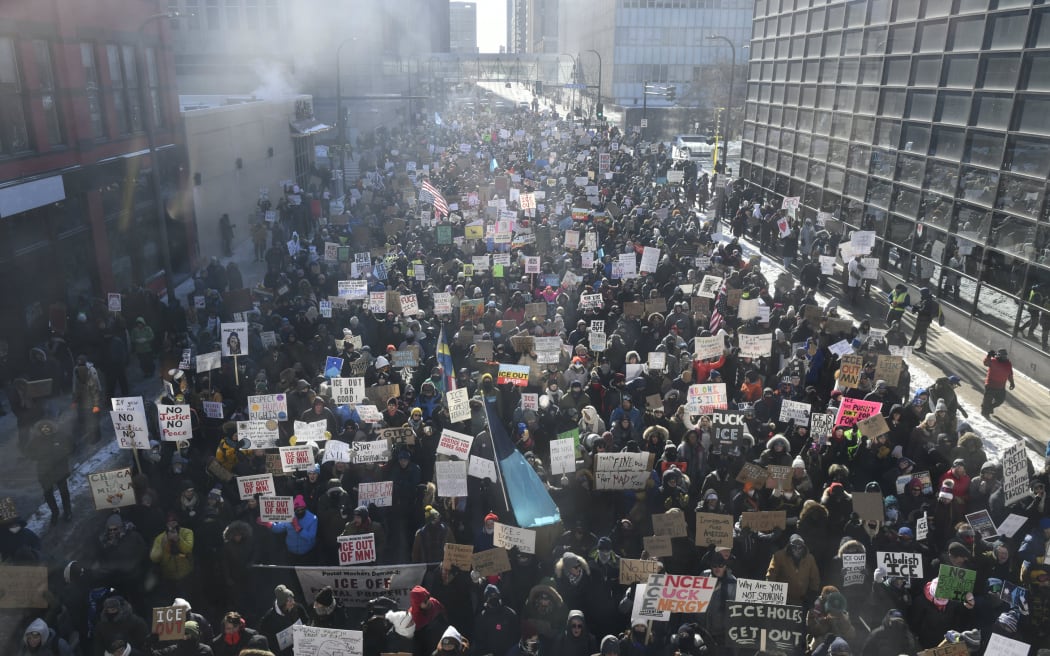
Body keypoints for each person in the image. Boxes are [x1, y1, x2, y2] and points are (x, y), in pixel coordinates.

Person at [23, 420, 73, 524]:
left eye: (47, 427)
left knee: (64, 492)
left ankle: (68, 511)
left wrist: (63, 454)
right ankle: (55, 513)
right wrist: (39, 457)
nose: (45, 429)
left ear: (51, 427)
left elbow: (72, 446)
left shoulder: (61, 436)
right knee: (48, 494)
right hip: (44, 471)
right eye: (43, 428)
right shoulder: (36, 441)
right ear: (40, 430)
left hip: (60, 470)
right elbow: (28, 452)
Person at [980, 348, 1014, 418]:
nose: (1004, 357)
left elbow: (1010, 374)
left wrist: (1012, 383)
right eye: (1003, 356)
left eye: (1005, 356)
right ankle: (985, 414)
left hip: (1001, 387)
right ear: (999, 355)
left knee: (1000, 400)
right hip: (990, 385)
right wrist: (989, 356)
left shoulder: (1008, 363)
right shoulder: (993, 361)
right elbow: (985, 363)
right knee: (987, 401)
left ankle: (990, 407)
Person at [909, 288, 942, 353]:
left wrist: (917, 309)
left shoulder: (927, 301)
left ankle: (910, 346)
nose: (921, 295)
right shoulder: (927, 300)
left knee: (917, 332)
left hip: (923, 319)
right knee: (922, 333)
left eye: (921, 293)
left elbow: (924, 311)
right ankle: (922, 347)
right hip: (926, 320)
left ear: (924, 293)